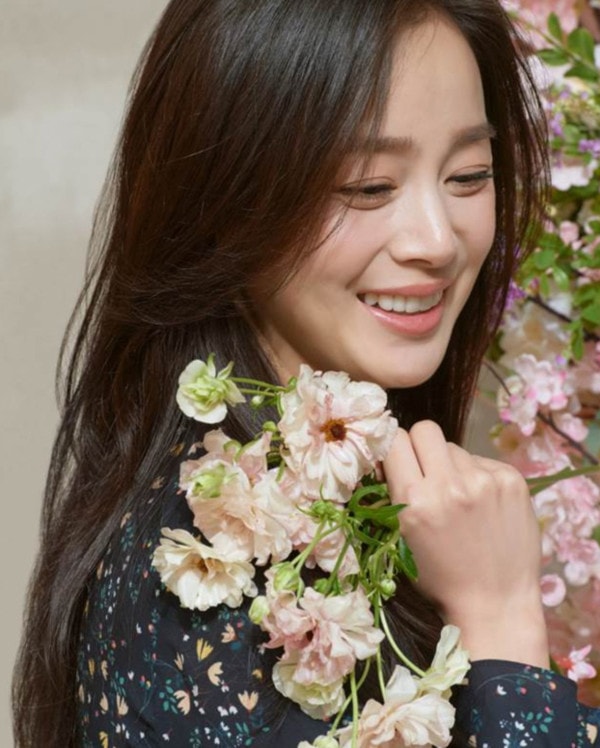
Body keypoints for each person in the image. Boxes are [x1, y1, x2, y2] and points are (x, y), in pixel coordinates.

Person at [12, 0, 600, 745]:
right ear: (225, 198)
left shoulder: (369, 506)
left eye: (468, 174)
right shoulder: (201, 583)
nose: (436, 241)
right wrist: (501, 617)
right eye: (368, 187)